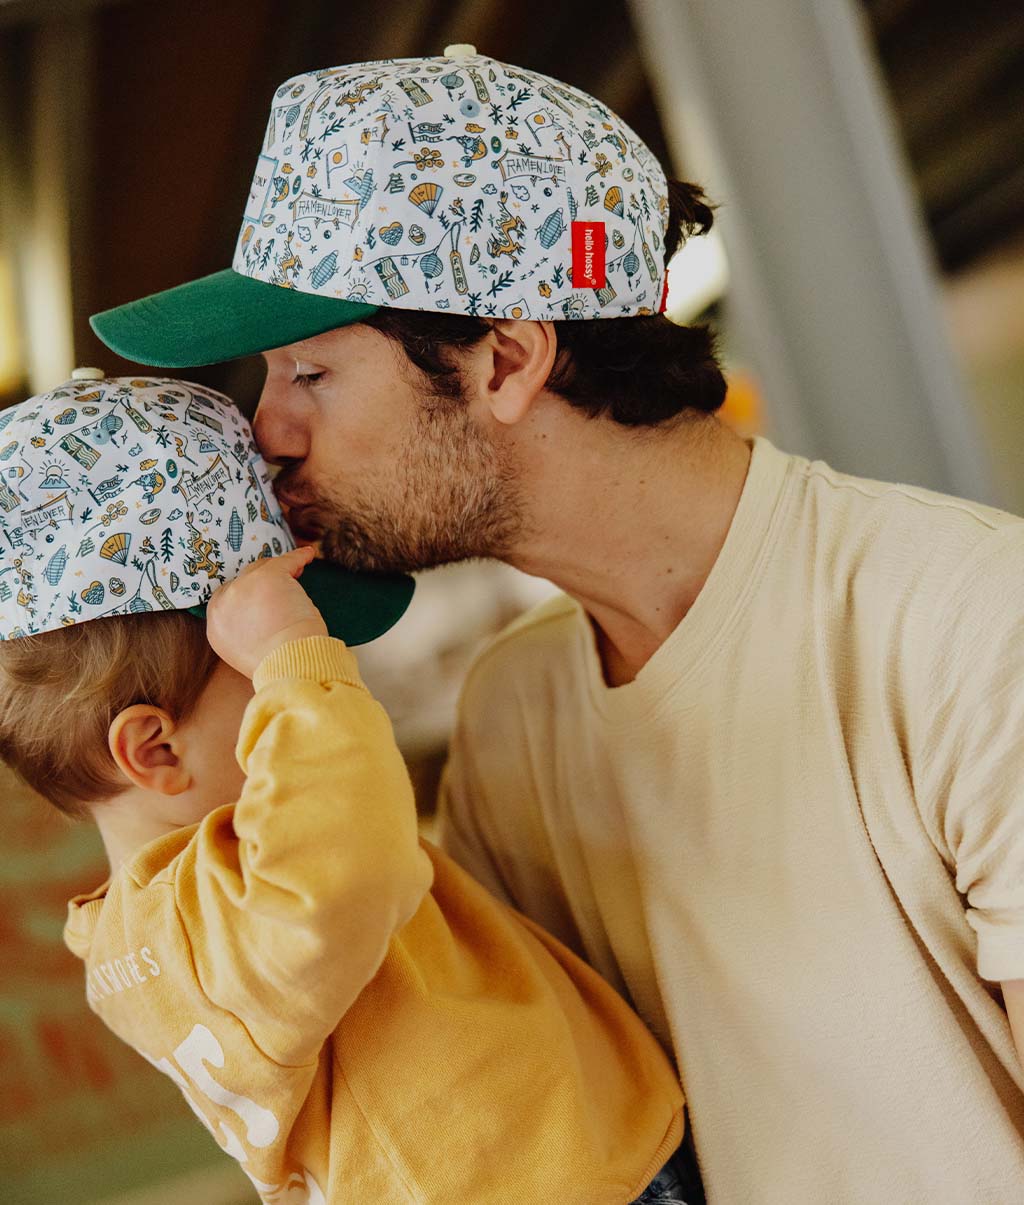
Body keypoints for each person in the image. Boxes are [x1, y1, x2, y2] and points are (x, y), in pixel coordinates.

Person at [89, 46, 1024, 1202]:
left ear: (507, 359)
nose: (266, 431)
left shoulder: (971, 625)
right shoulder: (512, 712)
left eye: (311, 372)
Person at [0, 375, 694, 1205]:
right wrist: (297, 657)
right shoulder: (231, 903)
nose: (325, 670)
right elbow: (348, 873)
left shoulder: (155, 933)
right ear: (153, 748)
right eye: (259, 668)